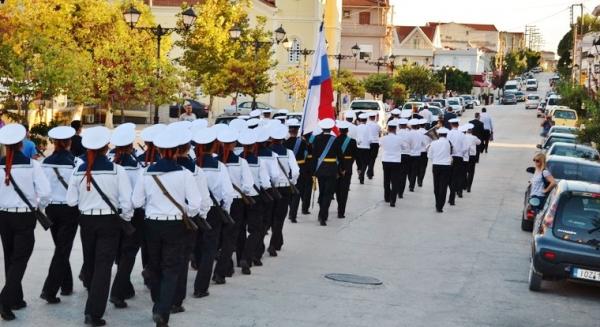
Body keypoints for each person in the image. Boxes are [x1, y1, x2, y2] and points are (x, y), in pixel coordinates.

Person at [131, 128, 202, 327]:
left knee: (155, 265)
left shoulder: (146, 172)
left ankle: (157, 304)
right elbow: (196, 204)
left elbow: (136, 202)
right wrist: (184, 211)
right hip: (176, 224)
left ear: (160, 150)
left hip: (152, 223)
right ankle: (162, 310)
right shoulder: (186, 174)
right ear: (178, 150)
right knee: (171, 268)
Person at [65, 126, 133, 326]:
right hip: (109, 221)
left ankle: (91, 299)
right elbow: (126, 203)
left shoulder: (78, 170)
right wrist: (126, 219)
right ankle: (93, 313)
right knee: (103, 267)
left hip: (87, 220)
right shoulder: (117, 170)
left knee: (92, 262)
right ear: (106, 148)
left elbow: (71, 201)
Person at [0, 124, 51, 321]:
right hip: (24, 216)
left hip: (3, 216)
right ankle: (5, 300)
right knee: (20, 259)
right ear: (22, 144)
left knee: (10, 256)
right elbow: (45, 193)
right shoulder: (33, 165)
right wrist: (37, 205)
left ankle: (16, 298)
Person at [192, 127, 234, 299]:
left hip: (194, 211)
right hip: (214, 211)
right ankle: (200, 287)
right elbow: (228, 193)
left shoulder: (192, 165)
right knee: (210, 248)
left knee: (195, 244)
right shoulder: (219, 167)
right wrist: (226, 210)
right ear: (214, 146)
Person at [40, 126, 78, 304]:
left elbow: (42, 190)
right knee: (63, 249)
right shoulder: (75, 163)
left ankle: (67, 284)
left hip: (51, 210)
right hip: (70, 210)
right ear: (70, 142)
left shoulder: (45, 163)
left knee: (61, 248)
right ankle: (49, 290)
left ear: (54, 143)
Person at [107, 124, 142, 310]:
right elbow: (136, 197)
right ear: (130, 145)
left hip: (110, 213)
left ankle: (125, 286)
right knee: (128, 253)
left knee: (119, 251)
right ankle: (118, 292)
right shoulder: (136, 167)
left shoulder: (107, 161)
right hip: (129, 214)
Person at [213, 127, 255, 284]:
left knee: (219, 236)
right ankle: (222, 271)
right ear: (233, 144)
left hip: (217, 203)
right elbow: (248, 186)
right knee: (230, 238)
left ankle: (228, 266)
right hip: (236, 202)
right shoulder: (241, 162)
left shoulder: (214, 162)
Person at [237, 130, 269, 275]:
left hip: (239, 198)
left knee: (240, 228)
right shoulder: (258, 161)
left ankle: (239, 257)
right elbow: (266, 183)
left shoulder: (237, 160)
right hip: (254, 198)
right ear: (253, 146)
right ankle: (247, 257)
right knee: (256, 230)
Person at [268, 124, 299, 254]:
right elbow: (296, 171)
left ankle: (276, 242)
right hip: (284, 188)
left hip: (270, 188)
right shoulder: (289, 152)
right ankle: (274, 244)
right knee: (280, 217)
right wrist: (291, 182)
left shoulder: (267, 152)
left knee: (270, 216)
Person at [312, 119, 343, 226]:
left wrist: (313, 170)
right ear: (331, 128)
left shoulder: (316, 138)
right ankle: (323, 216)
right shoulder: (336, 140)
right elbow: (340, 156)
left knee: (322, 192)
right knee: (328, 193)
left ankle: (321, 213)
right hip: (331, 169)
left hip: (320, 169)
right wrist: (341, 169)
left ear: (322, 128)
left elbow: (314, 156)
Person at [284, 119, 310, 223]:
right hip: (300, 168)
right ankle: (293, 215)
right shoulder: (303, 143)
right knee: (297, 192)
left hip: (288, 169)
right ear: (298, 130)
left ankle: (291, 209)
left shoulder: (284, 143)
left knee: (290, 192)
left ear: (289, 130)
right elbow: (307, 154)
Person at [379, 119, 406, 207]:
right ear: (395, 129)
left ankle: (387, 197)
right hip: (396, 161)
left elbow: (381, 145)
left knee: (386, 179)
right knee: (395, 181)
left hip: (385, 160)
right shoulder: (399, 138)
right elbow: (404, 148)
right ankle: (392, 200)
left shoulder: (383, 138)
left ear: (388, 128)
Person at [335, 120, 357, 218]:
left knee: (337, 188)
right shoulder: (352, 141)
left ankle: (339, 204)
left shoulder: (334, 140)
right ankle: (341, 211)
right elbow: (356, 155)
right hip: (347, 166)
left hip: (336, 165)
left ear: (339, 130)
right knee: (344, 189)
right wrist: (359, 167)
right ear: (347, 131)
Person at [427, 127, 452, 213]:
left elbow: (429, 156)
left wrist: (435, 159)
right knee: (443, 186)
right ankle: (440, 206)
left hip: (436, 165)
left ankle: (437, 202)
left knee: (436, 185)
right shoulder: (449, 143)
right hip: (446, 166)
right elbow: (453, 152)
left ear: (438, 134)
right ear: (446, 135)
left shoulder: (433, 143)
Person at [446, 118, 466, 206]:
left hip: (449, 157)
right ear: (458, 125)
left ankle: (451, 196)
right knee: (456, 177)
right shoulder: (462, 134)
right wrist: (461, 152)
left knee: (449, 178)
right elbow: (466, 147)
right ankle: (452, 197)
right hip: (459, 157)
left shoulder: (447, 134)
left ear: (451, 125)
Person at [407, 119, 426, 192]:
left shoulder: (408, 133)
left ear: (411, 126)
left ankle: (410, 182)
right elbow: (424, 144)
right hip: (417, 154)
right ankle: (412, 186)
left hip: (409, 154)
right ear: (417, 126)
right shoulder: (420, 134)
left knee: (409, 170)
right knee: (414, 171)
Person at [463, 124, 481, 193]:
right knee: (471, 172)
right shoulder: (474, 137)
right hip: (472, 156)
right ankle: (469, 187)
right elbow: (479, 142)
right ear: (472, 131)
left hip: (464, 155)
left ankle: (464, 185)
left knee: (464, 171)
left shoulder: (463, 137)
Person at [395, 119, 411, 198]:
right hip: (406, 155)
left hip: (397, 155)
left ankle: (396, 189)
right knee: (404, 174)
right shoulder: (409, 134)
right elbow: (412, 144)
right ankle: (401, 192)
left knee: (397, 173)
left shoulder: (396, 133)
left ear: (399, 126)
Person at [355, 113, 371, 184]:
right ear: (366, 120)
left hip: (358, 147)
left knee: (359, 162)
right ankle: (362, 174)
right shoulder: (368, 128)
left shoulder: (357, 127)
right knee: (365, 163)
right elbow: (371, 139)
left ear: (360, 120)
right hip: (366, 147)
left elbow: (355, 137)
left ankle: (360, 173)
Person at [417, 119, 432, 187]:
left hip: (416, 152)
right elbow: (430, 143)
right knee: (423, 167)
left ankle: (417, 177)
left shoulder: (416, 132)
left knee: (416, 166)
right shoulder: (428, 133)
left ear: (419, 125)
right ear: (425, 125)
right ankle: (420, 179)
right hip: (424, 152)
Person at [366, 112, 381, 179]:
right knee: (373, 159)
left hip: (368, 143)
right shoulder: (377, 125)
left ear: (369, 118)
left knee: (368, 158)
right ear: (374, 118)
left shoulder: (366, 125)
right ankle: (370, 172)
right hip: (375, 143)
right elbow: (379, 133)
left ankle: (370, 172)